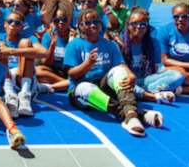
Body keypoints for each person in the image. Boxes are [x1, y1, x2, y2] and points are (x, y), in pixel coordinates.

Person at [64, 9, 163, 137]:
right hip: (81, 91)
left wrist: (131, 75)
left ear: (100, 24)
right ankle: (135, 115)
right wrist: (88, 63)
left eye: (96, 22)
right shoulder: (73, 45)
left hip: (104, 87)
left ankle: (130, 114)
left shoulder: (110, 44)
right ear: (80, 26)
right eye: (88, 23)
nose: (93, 25)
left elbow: (120, 64)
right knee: (85, 88)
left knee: (119, 71)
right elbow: (72, 75)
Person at [116, 8, 184, 103]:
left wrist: (165, 72)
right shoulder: (119, 41)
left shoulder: (153, 43)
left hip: (145, 80)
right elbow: (116, 69)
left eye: (143, 24)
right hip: (127, 79)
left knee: (178, 75)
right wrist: (121, 49)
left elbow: (159, 66)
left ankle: (147, 91)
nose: (139, 27)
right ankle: (149, 94)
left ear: (147, 26)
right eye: (134, 24)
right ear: (128, 25)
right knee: (119, 82)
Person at [0, 11, 49, 117]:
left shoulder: (28, 37)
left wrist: (11, 51)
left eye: (17, 23)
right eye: (10, 21)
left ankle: (25, 96)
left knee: (25, 44)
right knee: (0, 46)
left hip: (23, 76)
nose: (12, 25)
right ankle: (10, 96)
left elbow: (44, 53)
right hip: (5, 79)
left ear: (22, 27)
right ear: (4, 24)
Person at [36, 0, 75, 92]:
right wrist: (52, 46)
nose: (61, 23)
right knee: (37, 71)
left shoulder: (75, 36)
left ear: (69, 20)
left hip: (70, 71)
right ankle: (65, 83)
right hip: (54, 72)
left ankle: (52, 87)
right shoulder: (47, 36)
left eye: (64, 19)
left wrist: (70, 45)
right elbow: (46, 63)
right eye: (57, 20)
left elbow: (73, 64)